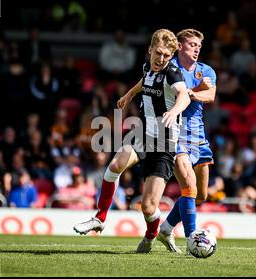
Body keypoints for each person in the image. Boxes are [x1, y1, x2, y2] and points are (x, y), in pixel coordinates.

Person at [74, 29, 191, 253]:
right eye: (158, 53)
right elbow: (143, 82)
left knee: (148, 207)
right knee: (115, 165)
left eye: (167, 55)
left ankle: (153, 234)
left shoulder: (173, 74)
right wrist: (129, 95)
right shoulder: (148, 66)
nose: (162, 59)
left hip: (164, 143)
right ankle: (100, 218)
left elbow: (184, 95)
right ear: (150, 50)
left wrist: (174, 109)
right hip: (143, 133)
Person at [156, 29, 217, 254]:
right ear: (180, 46)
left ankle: (166, 227)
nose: (197, 48)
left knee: (200, 195)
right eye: (192, 44)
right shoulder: (169, 68)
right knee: (188, 187)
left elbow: (210, 95)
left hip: (199, 138)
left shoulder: (206, 70)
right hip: (176, 134)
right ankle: (193, 238)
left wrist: (190, 93)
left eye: (199, 45)